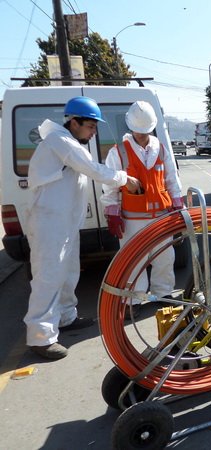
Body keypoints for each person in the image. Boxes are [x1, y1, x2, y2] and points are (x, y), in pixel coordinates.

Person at [24, 96, 141, 360]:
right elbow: (93, 169)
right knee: (48, 277)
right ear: (74, 122)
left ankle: (66, 317)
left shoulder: (69, 142)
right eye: (90, 126)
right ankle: (40, 337)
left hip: (63, 222)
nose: (93, 132)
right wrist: (125, 179)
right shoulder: (60, 141)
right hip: (49, 223)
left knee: (68, 272)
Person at [101, 101, 183, 317]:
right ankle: (133, 300)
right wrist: (112, 211)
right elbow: (110, 185)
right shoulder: (119, 152)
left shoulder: (161, 149)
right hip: (132, 219)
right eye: (138, 131)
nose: (142, 135)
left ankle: (163, 293)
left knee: (165, 257)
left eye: (145, 131)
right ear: (131, 128)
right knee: (134, 261)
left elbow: (171, 178)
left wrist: (177, 202)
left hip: (161, 216)